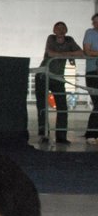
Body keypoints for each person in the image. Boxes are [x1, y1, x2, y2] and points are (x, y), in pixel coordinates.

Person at [34, 21, 83, 144]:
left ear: (66, 30)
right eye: (58, 28)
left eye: (63, 28)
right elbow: (50, 53)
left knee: (62, 106)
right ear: (54, 30)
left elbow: (80, 53)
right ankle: (44, 134)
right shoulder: (50, 38)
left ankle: (61, 135)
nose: (60, 30)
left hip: (57, 78)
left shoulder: (69, 40)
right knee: (42, 106)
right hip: (43, 76)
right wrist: (69, 54)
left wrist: (61, 55)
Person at [82, 13, 98, 144]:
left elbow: (92, 51)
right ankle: (91, 133)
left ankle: (91, 132)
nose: (96, 24)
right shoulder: (90, 33)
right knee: (97, 102)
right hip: (93, 72)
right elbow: (87, 51)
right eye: (95, 22)